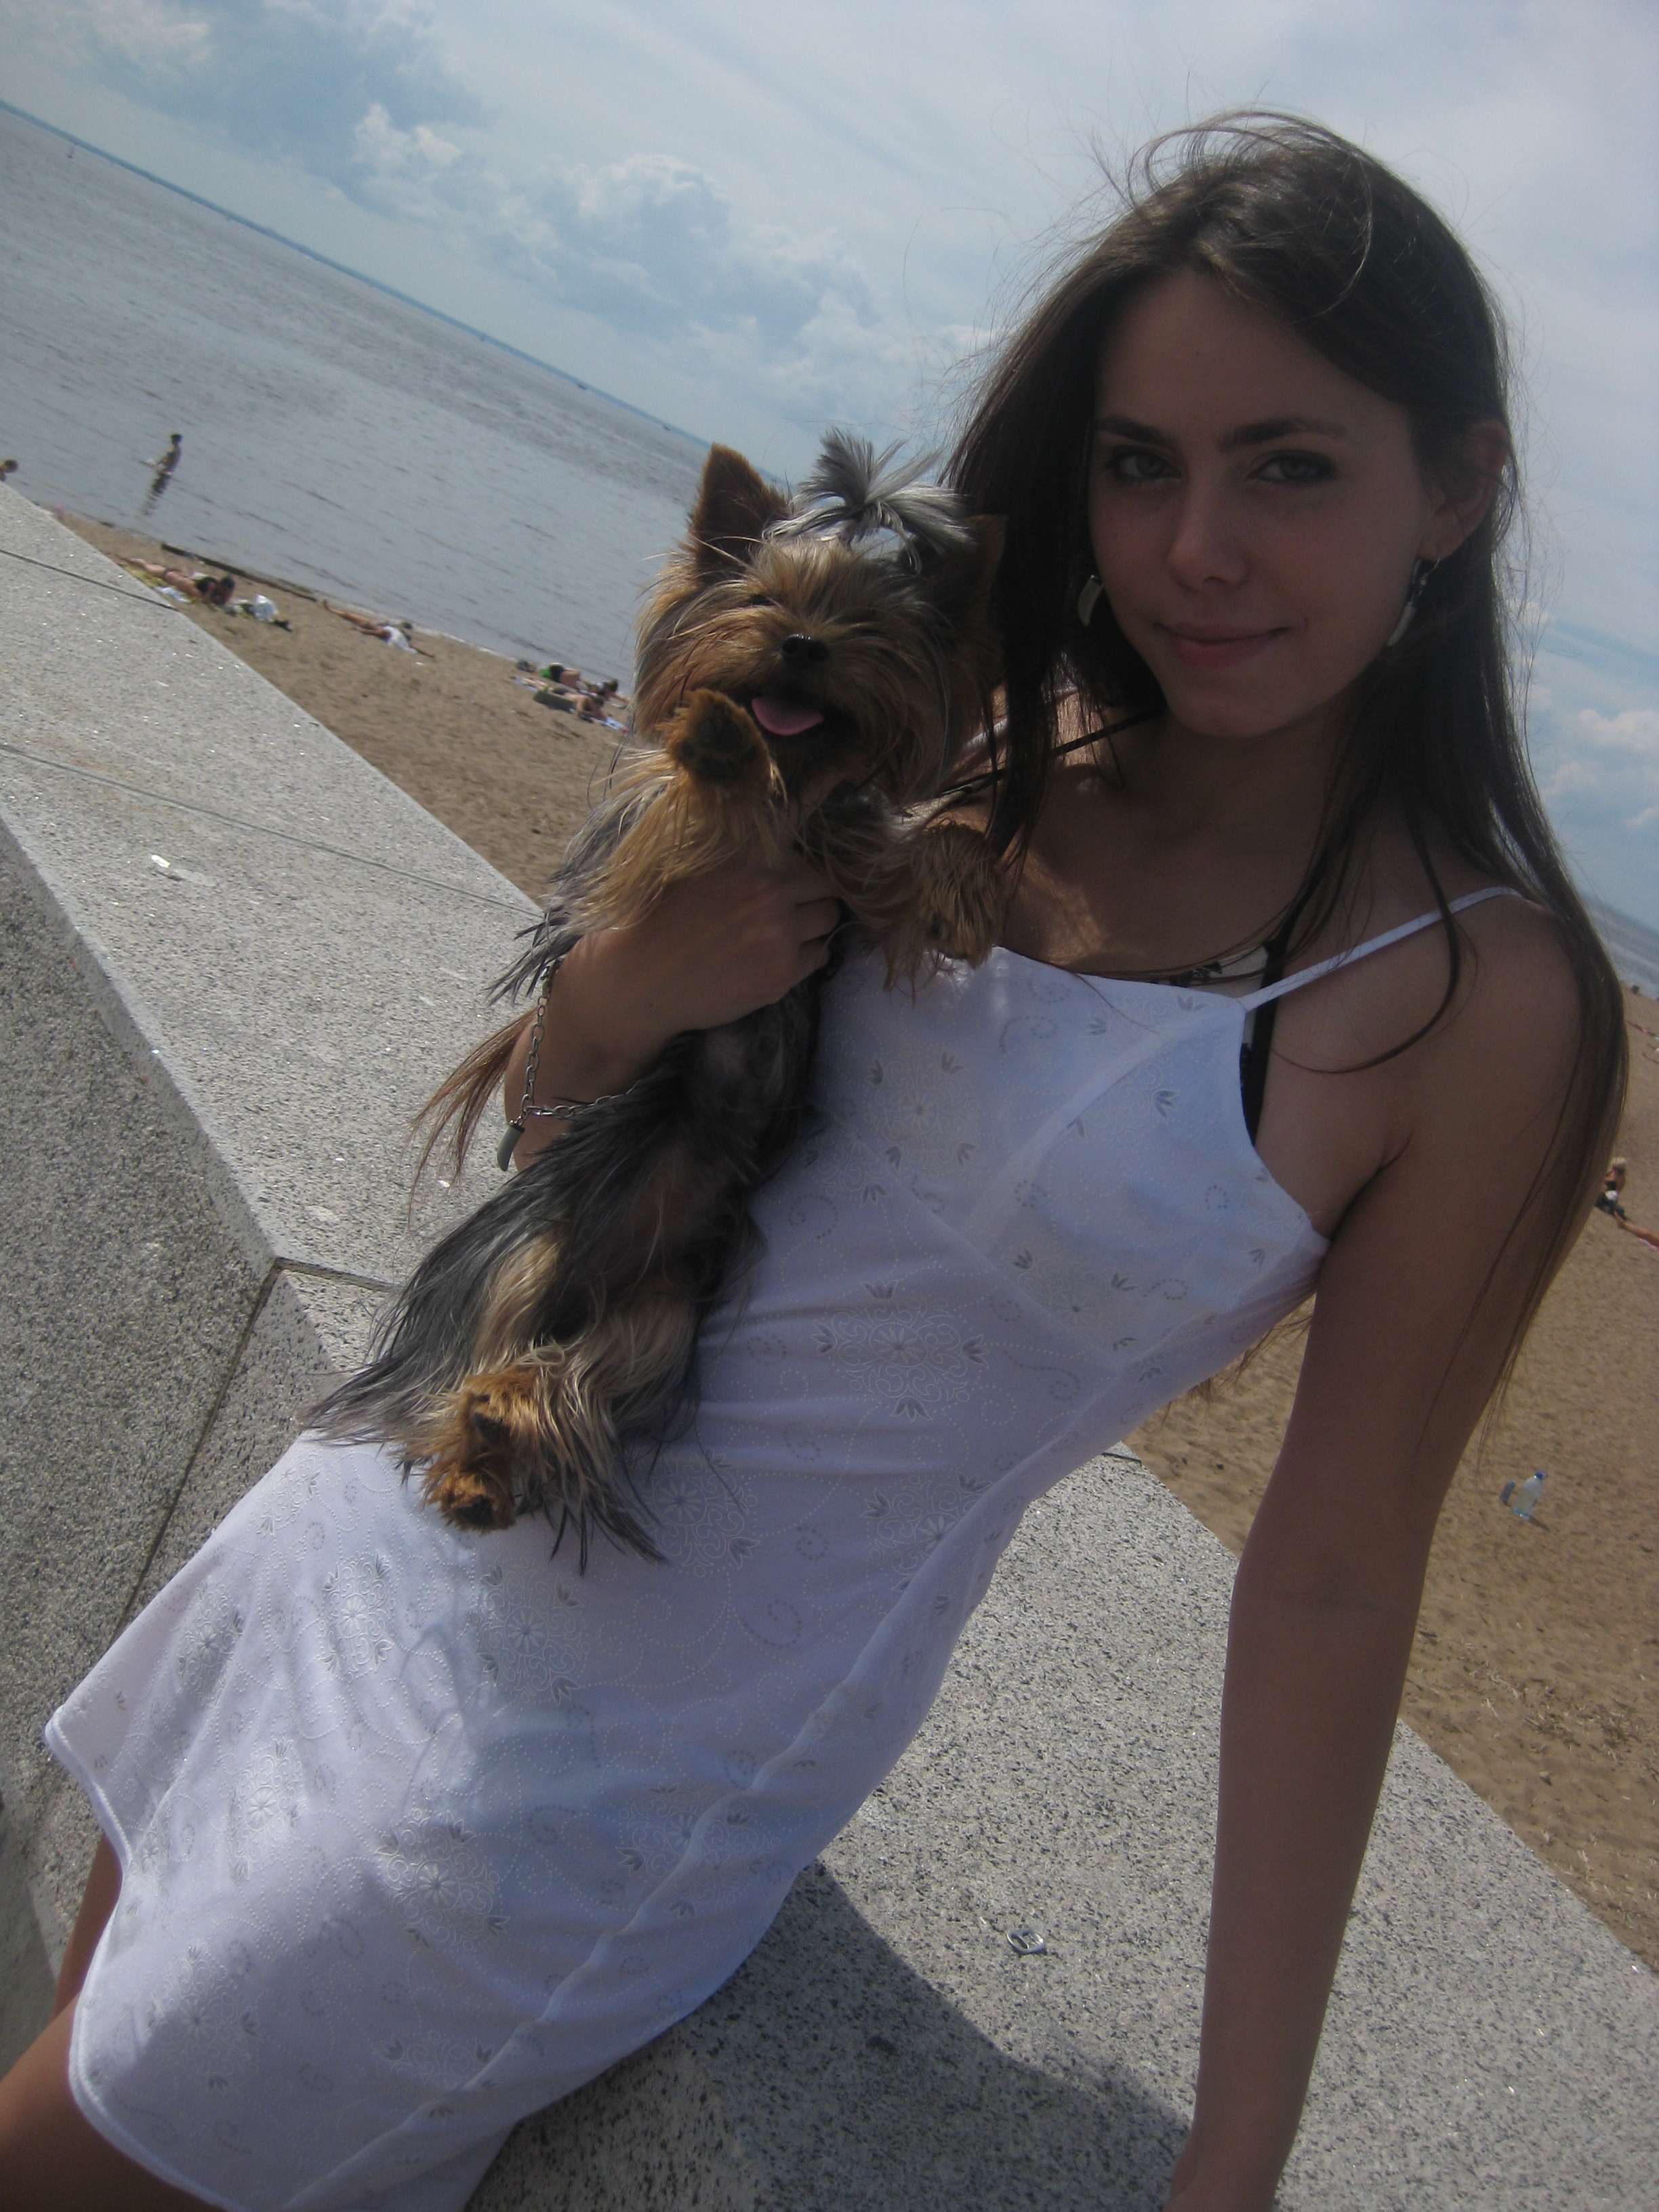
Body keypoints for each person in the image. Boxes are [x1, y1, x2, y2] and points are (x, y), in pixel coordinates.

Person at [0, 117, 1626, 2212]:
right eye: (1141, 463)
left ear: (1460, 488)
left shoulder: (1478, 1000)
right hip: (390, 1506)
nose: (1198, 548)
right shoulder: (974, 746)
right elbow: (570, 1122)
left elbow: (1332, 1575)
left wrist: (1234, 2157)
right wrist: (622, 987)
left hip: (598, 1774)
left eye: (1290, 467)